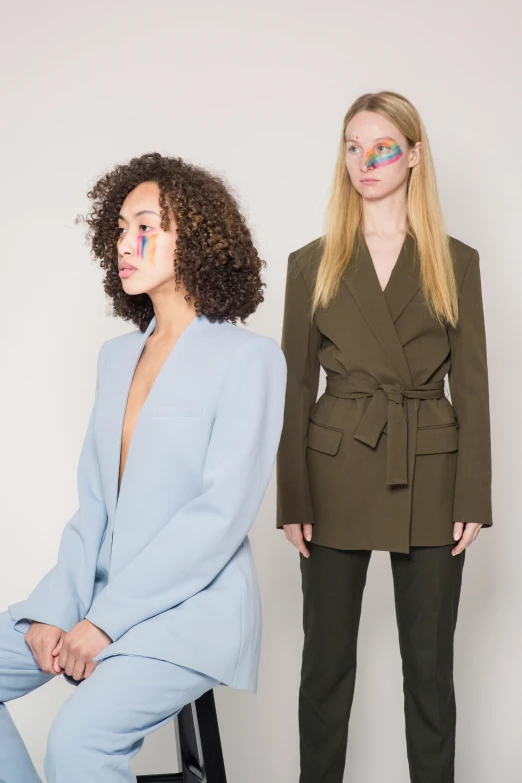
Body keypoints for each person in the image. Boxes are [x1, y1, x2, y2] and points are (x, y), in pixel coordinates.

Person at [0, 152, 286, 782]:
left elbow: (218, 518)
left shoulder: (249, 360)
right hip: (93, 594)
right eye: (121, 229)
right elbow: (95, 506)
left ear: (198, 239)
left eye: (146, 227)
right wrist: (57, 608)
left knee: (76, 744)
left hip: (190, 611)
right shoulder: (114, 358)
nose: (126, 244)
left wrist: (103, 622)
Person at [277, 91, 492, 783]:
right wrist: (292, 496)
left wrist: (473, 494)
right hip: (335, 466)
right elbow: (292, 386)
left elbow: (476, 384)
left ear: (415, 157)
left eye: (383, 147)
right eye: (352, 146)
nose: (365, 162)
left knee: (429, 671)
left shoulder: (454, 261)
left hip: (430, 467)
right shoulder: (311, 263)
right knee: (325, 666)